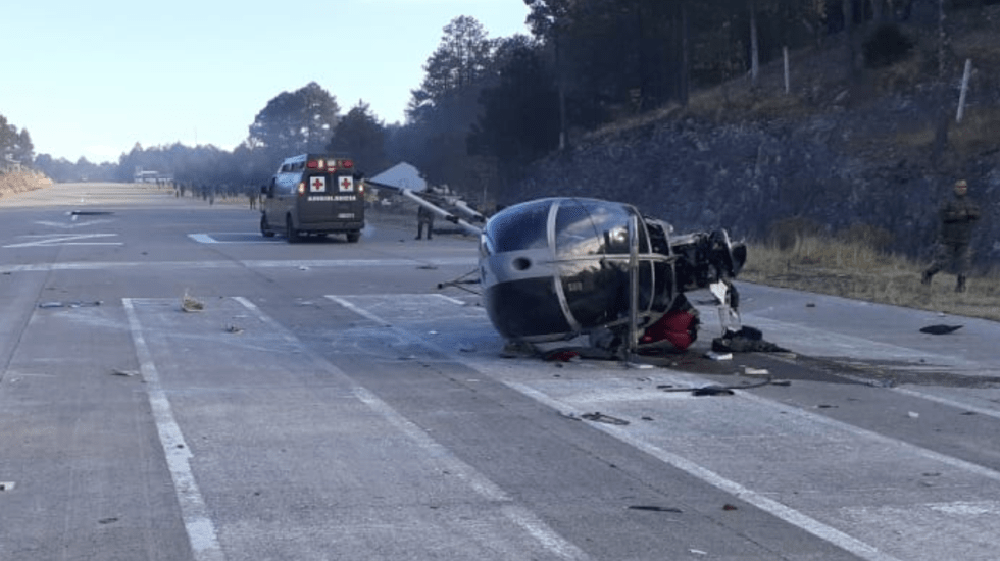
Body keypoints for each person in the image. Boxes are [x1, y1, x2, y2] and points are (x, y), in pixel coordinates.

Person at [922, 179, 981, 292]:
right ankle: (927, 274)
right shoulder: (948, 201)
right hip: (948, 238)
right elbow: (943, 216)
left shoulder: (970, 202)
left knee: (964, 263)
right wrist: (959, 215)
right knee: (942, 261)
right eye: (959, 187)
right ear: (955, 188)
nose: (961, 189)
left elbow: (977, 214)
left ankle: (960, 287)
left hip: (964, 239)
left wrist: (968, 213)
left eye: (963, 187)